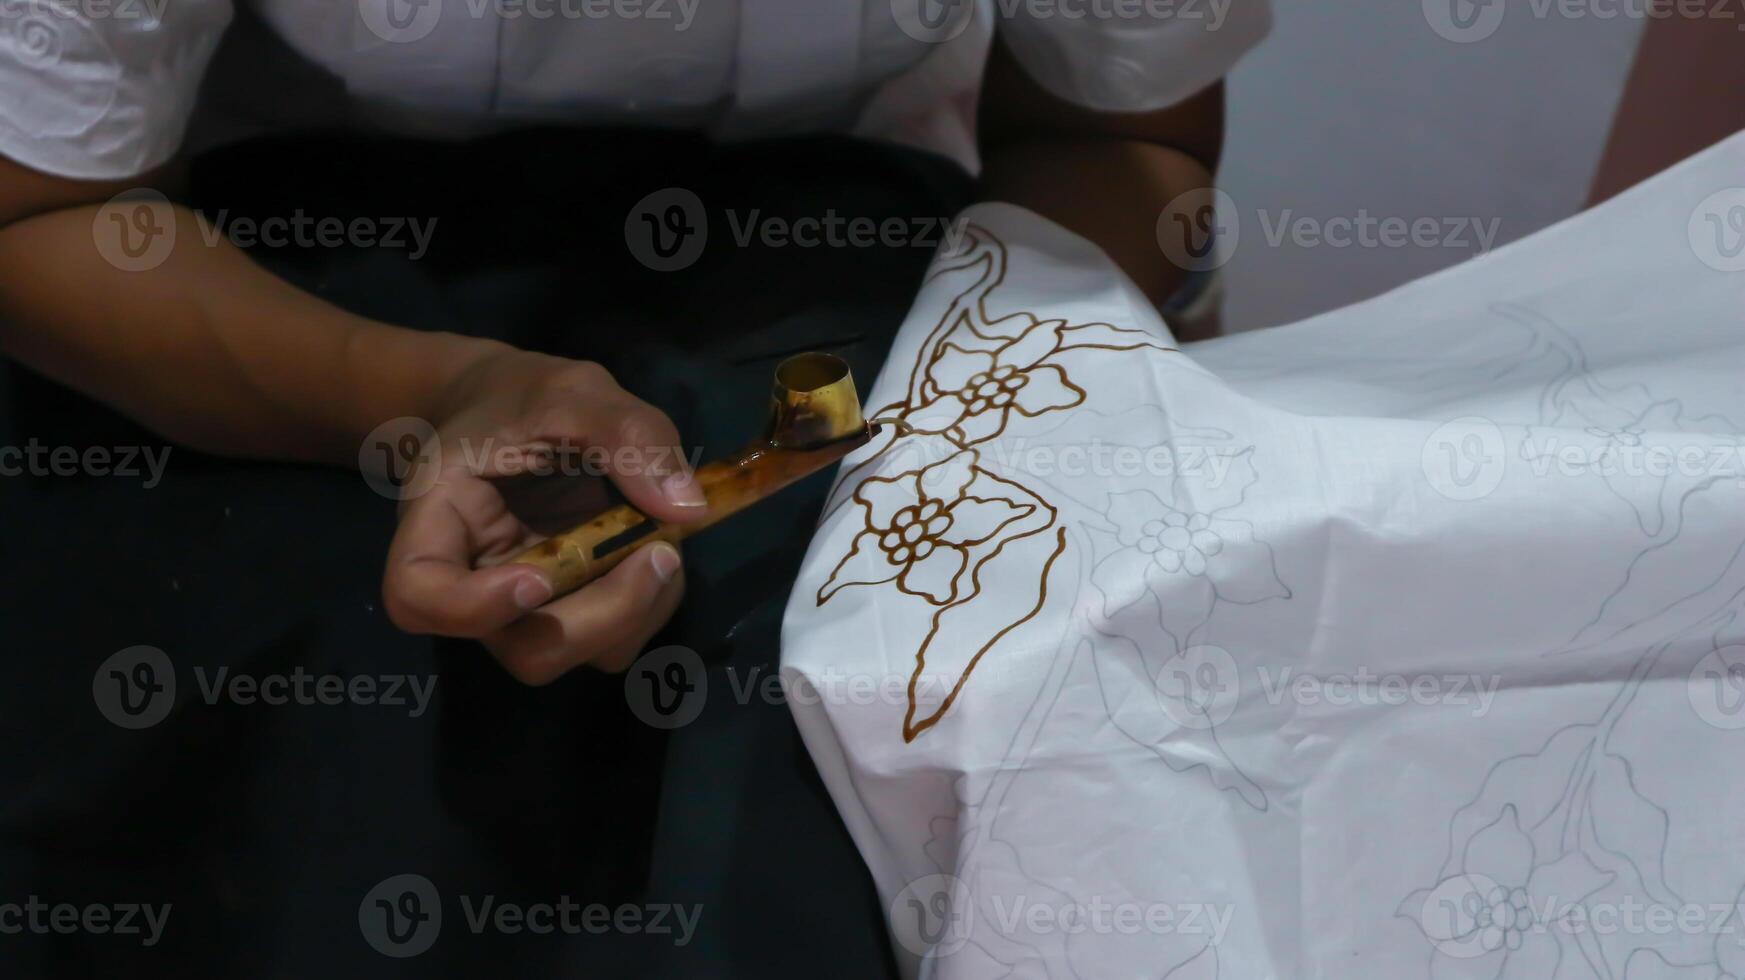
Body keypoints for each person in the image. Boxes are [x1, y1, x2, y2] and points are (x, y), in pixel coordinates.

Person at [0, 1, 1268, 683]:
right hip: (278, 307)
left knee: (855, 659)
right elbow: (45, 213)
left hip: (862, 287)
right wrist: (432, 394)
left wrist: (956, 407)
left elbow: (1111, 142)